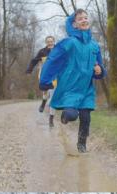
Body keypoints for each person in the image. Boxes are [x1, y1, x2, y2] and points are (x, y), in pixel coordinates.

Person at [39, 10, 106, 153]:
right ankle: (64, 117)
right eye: (80, 19)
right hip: (70, 87)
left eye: (86, 18)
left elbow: (99, 65)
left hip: (86, 88)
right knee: (71, 115)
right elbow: (52, 60)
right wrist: (45, 80)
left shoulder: (94, 46)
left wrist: (100, 70)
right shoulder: (69, 43)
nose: (84, 20)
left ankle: (81, 145)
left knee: (86, 117)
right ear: (74, 24)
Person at [26, 35, 58, 127]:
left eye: (51, 41)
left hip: (55, 76)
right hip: (44, 75)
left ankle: (51, 119)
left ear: (54, 41)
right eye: (48, 41)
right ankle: (43, 102)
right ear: (46, 42)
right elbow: (34, 61)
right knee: (45, 93)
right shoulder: (42, 52)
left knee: (53, 98)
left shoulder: (58, 50)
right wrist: (29, 70)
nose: (50, 43)